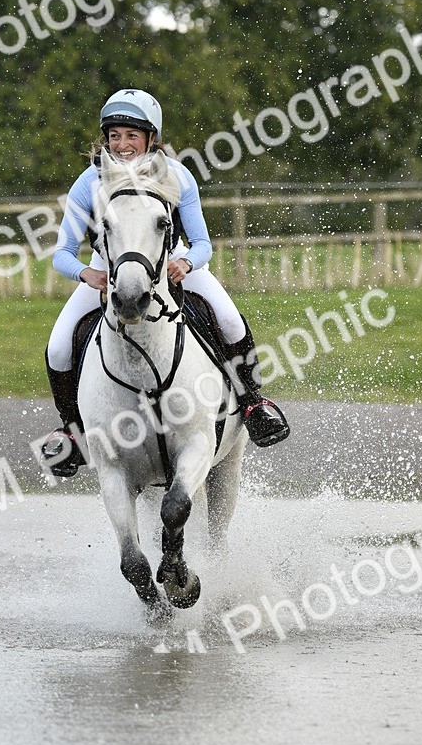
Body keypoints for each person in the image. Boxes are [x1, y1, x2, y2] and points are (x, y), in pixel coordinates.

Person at [42, 88, 289, 477]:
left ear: (151, 137)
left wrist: (187, 263)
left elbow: (203, 243)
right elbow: (62, 253)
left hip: (173, 263)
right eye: (114, 136)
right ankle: (72, 432)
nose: (122, 144)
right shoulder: (89, 181)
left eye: (131, 135)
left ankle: (253, 403)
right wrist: (86, 273)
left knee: (229, 320)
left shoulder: (177, 176)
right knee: (59, 347)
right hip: (109, 270)